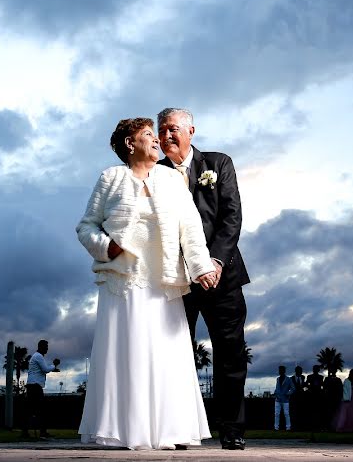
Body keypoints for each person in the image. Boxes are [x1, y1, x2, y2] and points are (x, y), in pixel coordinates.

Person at [76, 117, 217, 450]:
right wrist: (107, 247)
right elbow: (86, 227)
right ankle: (125, 431)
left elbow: (191, 228)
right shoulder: (110, 178)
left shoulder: (170, 179)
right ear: (130, 143)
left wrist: (200, 267)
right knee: (127, 351)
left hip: (164, 280)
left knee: (165, 354)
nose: (157, 141)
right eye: (148, 136)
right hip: (123, 282)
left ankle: (170, 431)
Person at [157, 108, 250, 451]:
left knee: (230, 353)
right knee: (172, 353)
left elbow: (231, 216)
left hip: (221, 277)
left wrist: (214, 262)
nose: (166, 135)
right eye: (161, 130)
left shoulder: (219, 163)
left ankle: (232, 428)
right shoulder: (154, 172)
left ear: (191, 131)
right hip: (177, 280)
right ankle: (178, 429)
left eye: (173, 129)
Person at [21, 339, 60, 439]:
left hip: (33, 386)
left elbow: (42, 369)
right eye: (46, 347)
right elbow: (45, 369)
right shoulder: (38, 356)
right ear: (41, 347)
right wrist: (53, 365)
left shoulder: (37, 356)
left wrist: (53, 368)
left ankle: (27, 432)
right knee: (40, 410)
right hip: (35, 387)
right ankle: (41, 432)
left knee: (33, 410)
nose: (47, 349)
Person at [273, 366, 294, 431]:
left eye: (281, 370)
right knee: (276, 414)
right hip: (277, 399)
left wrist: (288, 394)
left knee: (286, 413)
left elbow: (293, 388)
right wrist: (275, 393)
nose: (280, 371)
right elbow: (277, 388)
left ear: (284, 371)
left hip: (285, 400)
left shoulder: (288, 379)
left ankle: (288, 427)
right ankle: (276, 427)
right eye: (279, 370)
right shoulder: (278, 379)